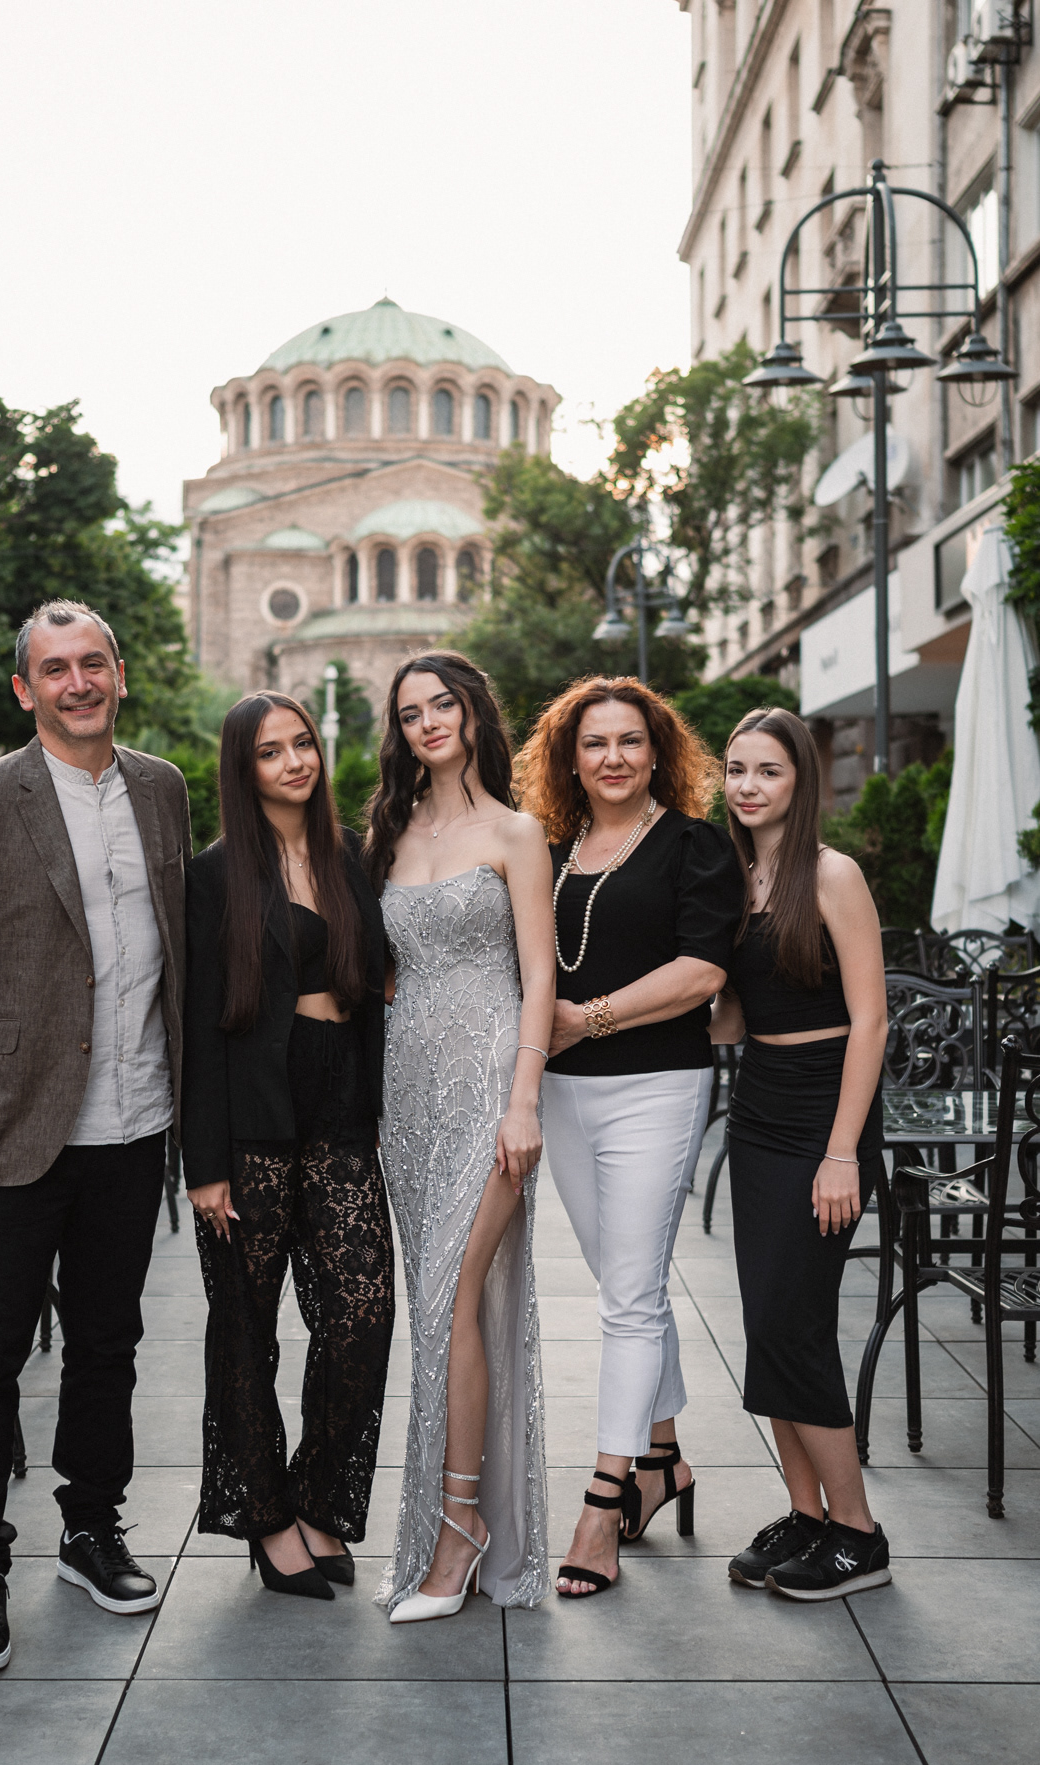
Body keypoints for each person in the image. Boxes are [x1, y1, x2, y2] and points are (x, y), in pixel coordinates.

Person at [0, 599, 190, 1674]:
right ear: (26, 689)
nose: (78, 683)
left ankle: (90, 1528)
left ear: (120, 674)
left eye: (92, 663)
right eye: (55, 669)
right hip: (8, 1131)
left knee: (108, 1347)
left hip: (133, 1123)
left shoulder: (161, 788)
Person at [515, 676, 744, 1599]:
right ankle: (662, 1460)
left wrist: (588, 1019)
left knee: (630, 1297)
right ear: (569, 760)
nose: (612, 757)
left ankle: (603, 1501)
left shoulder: (694, 845)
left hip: (657, 1087)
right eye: (594, 743)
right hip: (562, 1094)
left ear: (658, 754)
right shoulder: (551, 852)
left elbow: (701, 973)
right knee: (626, 1284)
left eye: (630, 741)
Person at [183, 693, 393, 1602]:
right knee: (245, 1328)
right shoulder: (214, 875)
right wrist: (204, 1165)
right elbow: (197, 1027)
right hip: (252, 1121)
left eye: (301, 743)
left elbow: (374, 985)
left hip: (340, 1107)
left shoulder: (350, 856)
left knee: (360, 1314)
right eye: (270, 752)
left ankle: (317, 1499)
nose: (294, 762)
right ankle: (266, 1521)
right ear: (244, 768)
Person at [367, 651, 554, 1623]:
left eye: (442, 704)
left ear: (474, 712)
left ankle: (457, 1531)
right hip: (406, 1099)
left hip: (489, 1093)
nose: (428, 722)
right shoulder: (387, 833)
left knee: (448, 1300)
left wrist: (522, 1102)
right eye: (410, 713)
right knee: (445, 1308)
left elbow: (539, 978)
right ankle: (454, 1525)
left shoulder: (516, 833)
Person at [712, 707, 892, 1599]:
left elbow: (871, 1020)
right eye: (736, 769)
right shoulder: (734, 879)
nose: (746, 786)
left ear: (799, 782)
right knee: (766, 1322)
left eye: (767, 771)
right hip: (757, 1110)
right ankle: (805, 1514)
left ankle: (858, 1532)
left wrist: (841, 1152)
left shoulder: (830, 874)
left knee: (796, 1325)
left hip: (825, 1115)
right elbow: (734, 1020)